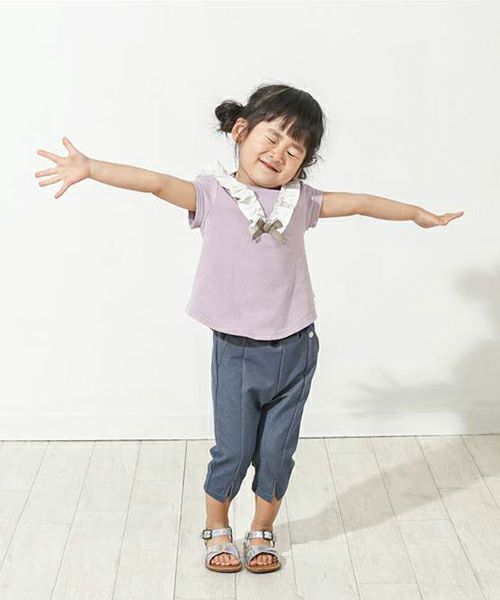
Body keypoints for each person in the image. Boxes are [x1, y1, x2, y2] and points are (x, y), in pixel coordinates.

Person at [34, 82, 464, 575]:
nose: (279, 153)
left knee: (278, 453)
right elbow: (154, 182)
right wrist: (92, 168)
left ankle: (261, 529)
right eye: (272, 137)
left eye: (294, 150)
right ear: (240, 131)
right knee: (234, 451)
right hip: (238, 350)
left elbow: (363, 202)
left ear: (304, 163)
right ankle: (217, 525)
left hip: (297, 347)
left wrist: (415, 214)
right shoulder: (212, 194)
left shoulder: (302, 202)